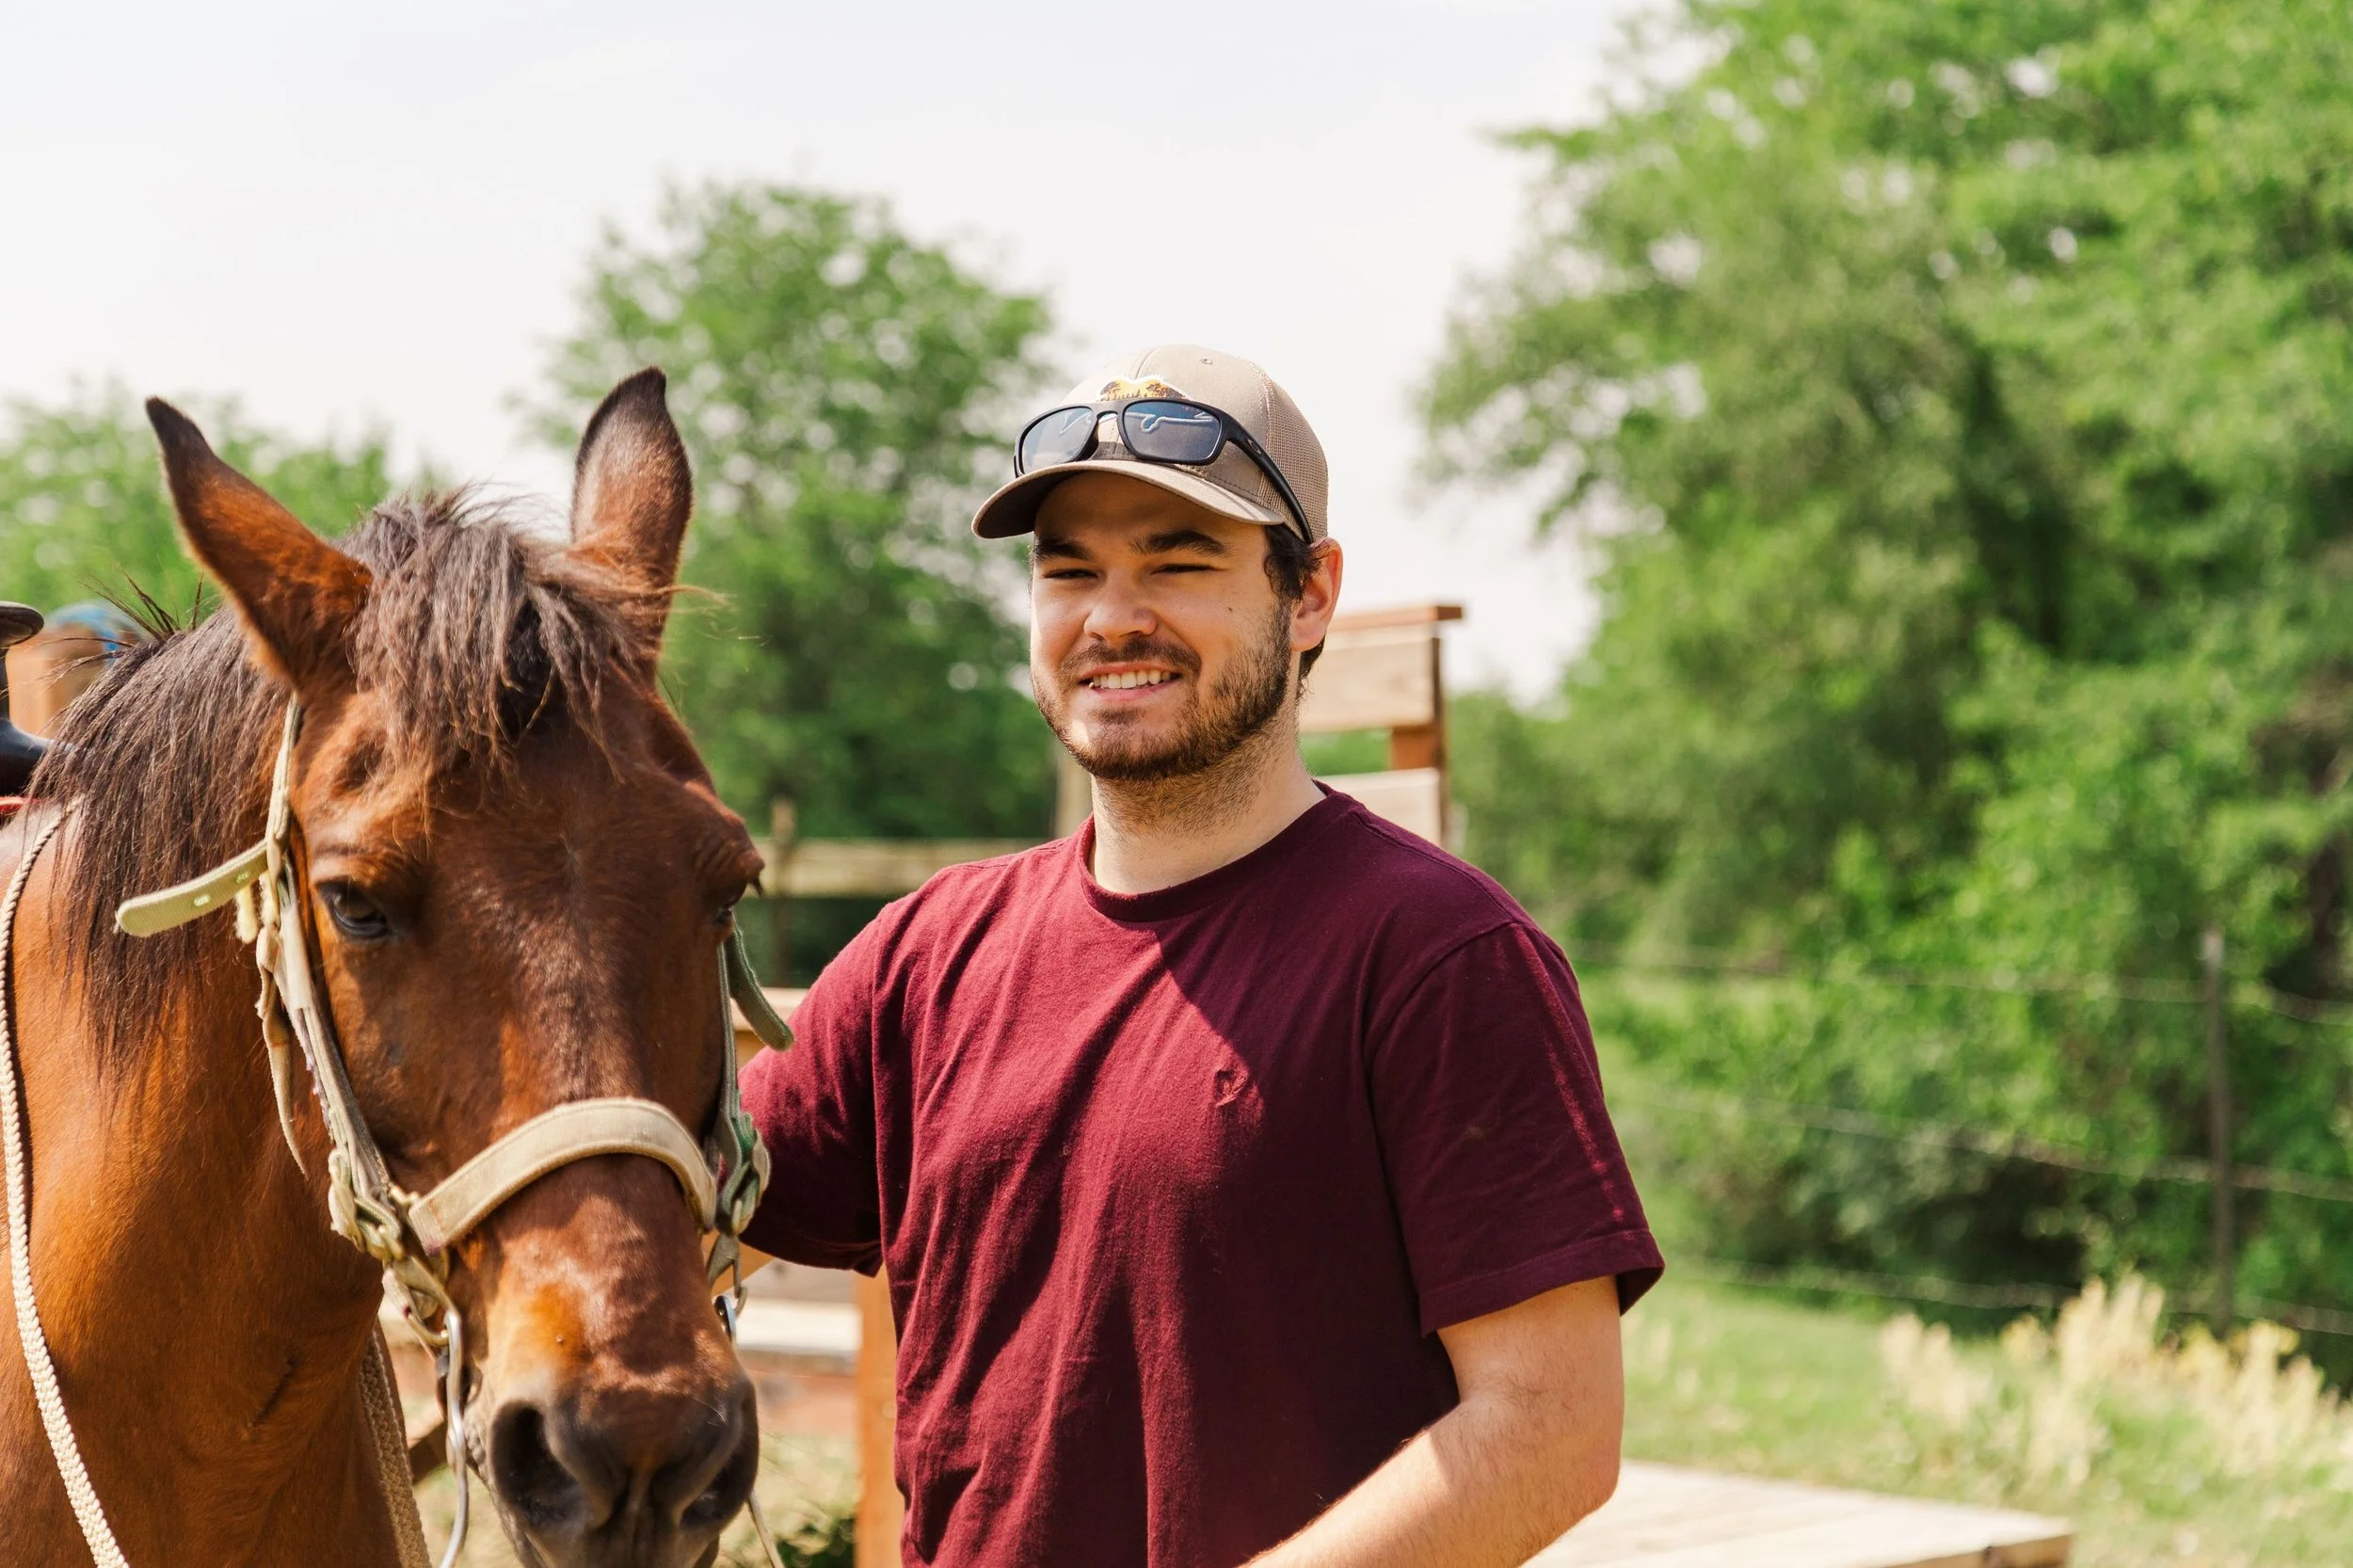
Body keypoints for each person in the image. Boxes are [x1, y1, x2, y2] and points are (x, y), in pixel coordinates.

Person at [738, 344, 1663, 1568]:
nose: (1113, 615)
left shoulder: (1441, 958)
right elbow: (669, 1202)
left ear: (1312, 593)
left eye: (1178, 561)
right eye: (1070, 571)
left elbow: (1551, 1427)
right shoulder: (924, 960)